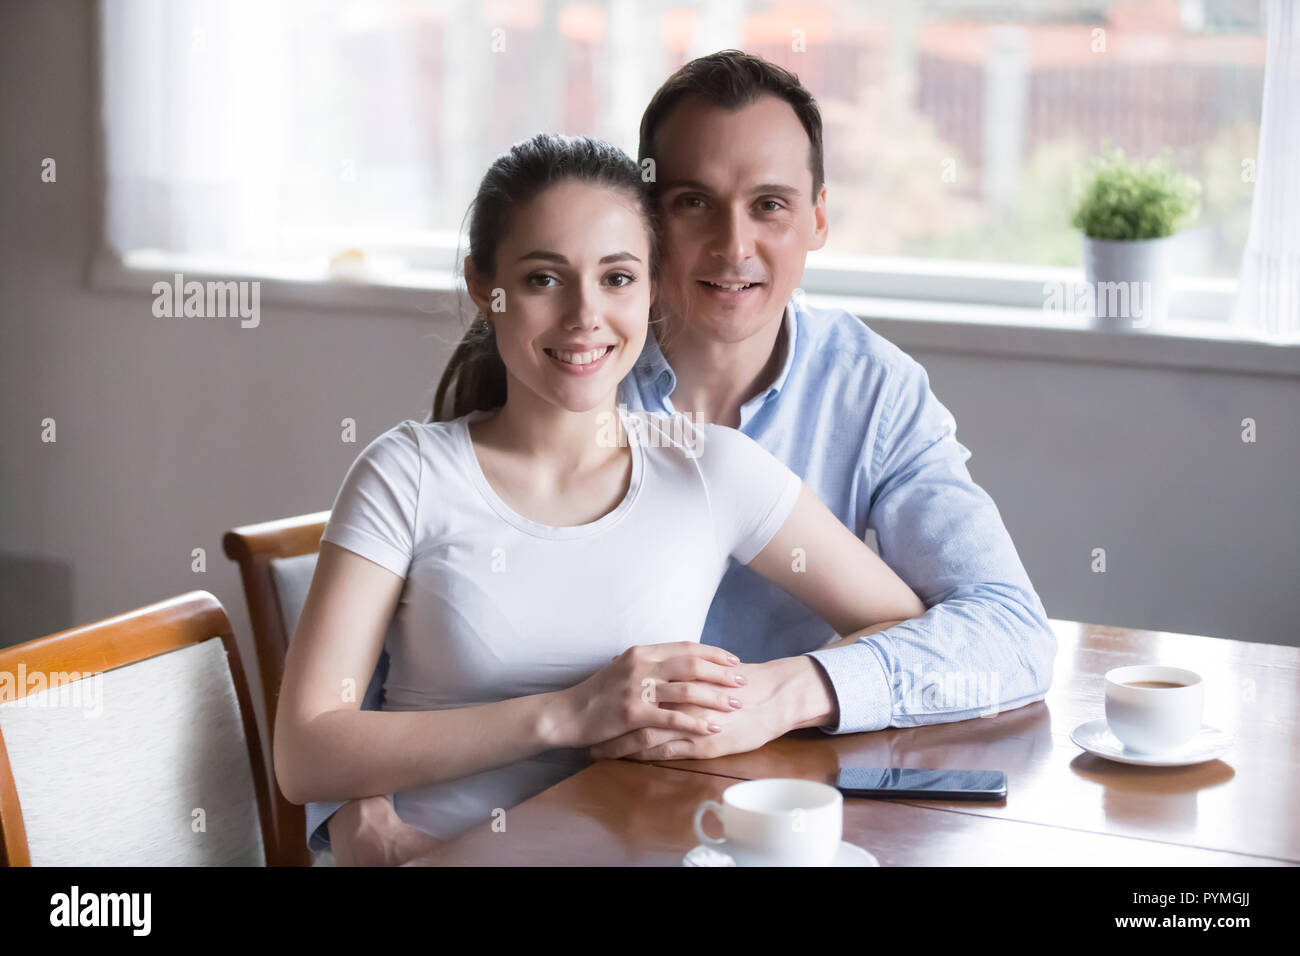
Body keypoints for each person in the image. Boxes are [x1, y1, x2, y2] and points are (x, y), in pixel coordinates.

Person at [313, 50, 1057, 866]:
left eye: (769, 205)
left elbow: (1009, 633)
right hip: (550, 825)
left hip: (756, 807)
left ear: (816, 219)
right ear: (648, 220)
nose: (733, 245)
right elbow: (410, 653)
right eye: (694, 202)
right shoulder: (562, 375)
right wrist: (357, 810)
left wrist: (788, 692)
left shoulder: (866, 393)